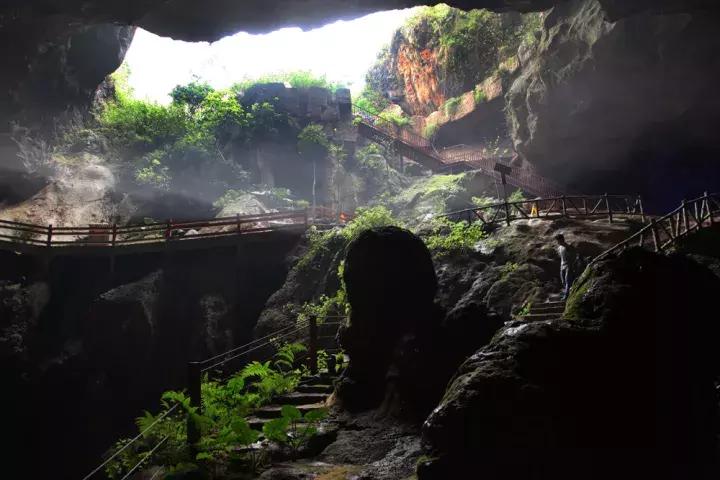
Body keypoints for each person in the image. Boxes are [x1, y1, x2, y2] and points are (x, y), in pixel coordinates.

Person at [555, 233, 578, 300]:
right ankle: (569, 292)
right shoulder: (559, 248)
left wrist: (572, 265)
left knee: (567, 280)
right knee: (563, 281)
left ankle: (566, 295)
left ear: (562, 239)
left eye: (558, 240)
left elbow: (574, 255)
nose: (557, 242)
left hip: (568, 266)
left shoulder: (568, 247)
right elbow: (561, 257)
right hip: (562, 266)